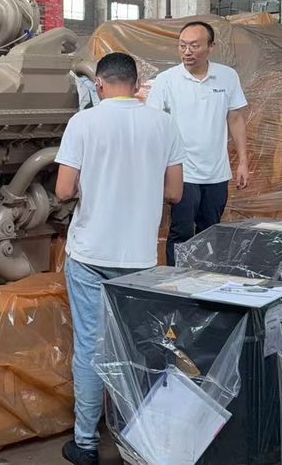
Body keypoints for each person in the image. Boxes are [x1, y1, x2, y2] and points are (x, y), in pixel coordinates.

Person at [55, 53, 185, 465]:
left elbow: (62, 190)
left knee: (91, 349)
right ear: (134, 83)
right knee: (138, 346)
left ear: (99, 84)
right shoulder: (163, 124)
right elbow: (176, 193)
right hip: (141, 257)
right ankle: (139, 443)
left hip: (92, 254)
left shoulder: (83, 123)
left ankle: (86, 445)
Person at [146, 20, 250, 266]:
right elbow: (153, 124)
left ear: (211, 47)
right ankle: (176, 284)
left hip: (217, 173)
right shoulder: (167, 80)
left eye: (194, 45)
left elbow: (235, 118)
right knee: (181, 233)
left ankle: (205, 283)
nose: (187, 51)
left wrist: (243, 162)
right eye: (182, 46)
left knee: (211, 233)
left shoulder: (227, 76)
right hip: (183, 173)